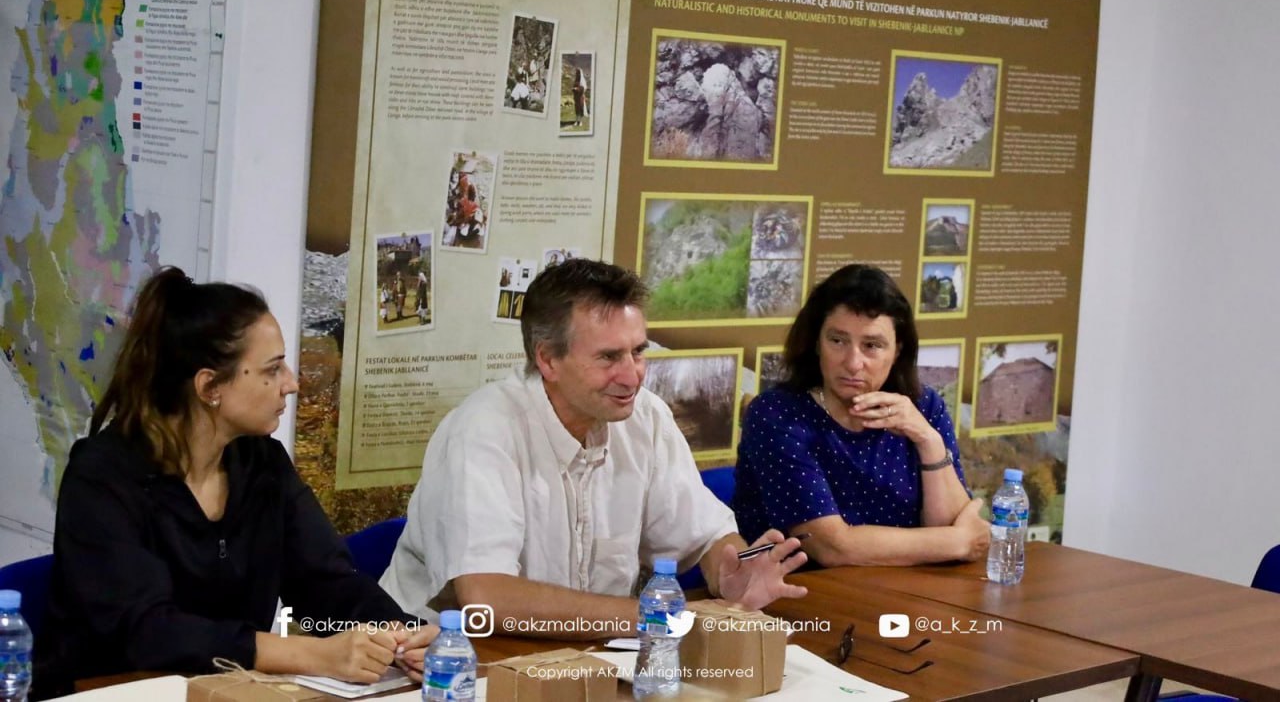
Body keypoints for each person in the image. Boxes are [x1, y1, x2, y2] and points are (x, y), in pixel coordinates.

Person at [34, 267, 436, 697]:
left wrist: (400, 635)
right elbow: (146, 631)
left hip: (224, 690)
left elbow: (325, 581)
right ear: (209, 386)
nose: (292, 384)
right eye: (273, 369)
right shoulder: (102, 476)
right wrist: (311, 653)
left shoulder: (260, 461)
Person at [381, 259, 807, 648]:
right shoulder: (482, 430)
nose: (632, 376)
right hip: (445, 660)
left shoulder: (647, 417)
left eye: (638, 351)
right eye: (608, 357)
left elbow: (703, 534)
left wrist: (727, 569)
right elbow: (487, 598)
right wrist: (657, 616)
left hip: (587, 652)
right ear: (547, 360)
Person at [733, 264, 989, 567]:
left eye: (872, 346)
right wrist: (955, 541)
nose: (853, 363)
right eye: (838, 341)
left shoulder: (924, 406)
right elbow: (830, 547)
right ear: (816, 342)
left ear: (897, 350)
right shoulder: (778, 415)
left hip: (910, 594)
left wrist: (928, 440)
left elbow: (959, 529)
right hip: (799, 597)